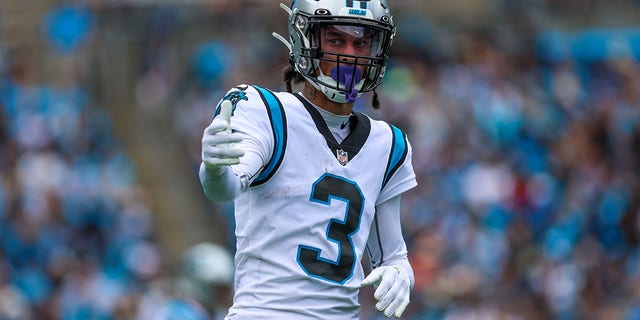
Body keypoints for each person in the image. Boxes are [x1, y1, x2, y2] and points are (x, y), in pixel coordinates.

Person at [199, 1, 417, 319]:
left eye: (361, 42)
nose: (351, 55)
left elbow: (393, 256)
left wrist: (401, 274)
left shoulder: (389, 143)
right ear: (307, 41)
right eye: (336, 40)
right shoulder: (266, 111)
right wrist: (215, 168)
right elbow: (226, 186)